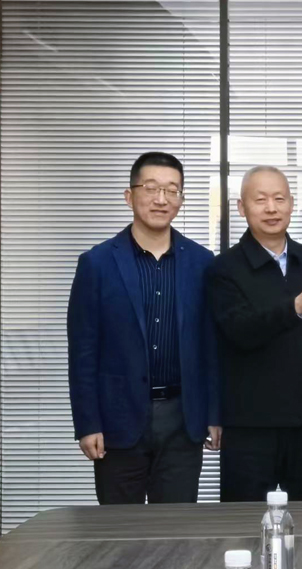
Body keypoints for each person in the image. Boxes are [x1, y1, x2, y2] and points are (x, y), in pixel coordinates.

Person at [67, 151, 221, 505]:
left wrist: (214, 414)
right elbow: (83, 351)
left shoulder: (202, 262)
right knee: (120, 529)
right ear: (129, 195)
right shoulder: (97, 263)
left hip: (183, 419)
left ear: (181, 199)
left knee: (177, 528)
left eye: (172, 190)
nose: (161, 199)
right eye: (151, 188)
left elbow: (210, 347)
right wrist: (88, 423)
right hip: (118, 420)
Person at [207, 165, 302, 502]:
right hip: (249, 424)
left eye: (279, 199)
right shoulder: (224, 268)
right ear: (241, 207)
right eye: (261, 200)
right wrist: (295, 306)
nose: (271, 208)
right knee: (243, 521)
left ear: (291, 204)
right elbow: (238, 332)